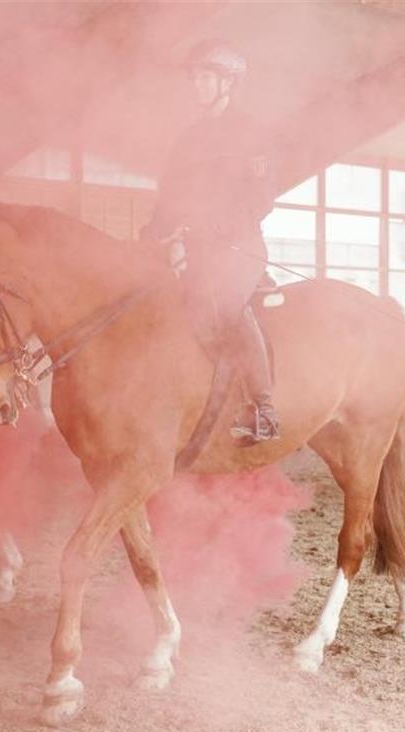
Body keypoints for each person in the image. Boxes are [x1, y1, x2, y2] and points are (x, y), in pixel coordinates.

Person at [140, 39, 279, 444]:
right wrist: (152, 236)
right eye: (195, 78)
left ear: (227, 83)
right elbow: (169, 198)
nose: (196, 85)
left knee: (226, 309)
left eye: (205, 77)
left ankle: (262, 407)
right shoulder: (188, 138)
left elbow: (261, 197)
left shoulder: (252, 133)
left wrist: (219, 228)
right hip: (194, 249)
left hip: (239, 247)